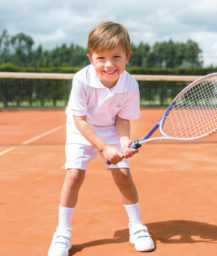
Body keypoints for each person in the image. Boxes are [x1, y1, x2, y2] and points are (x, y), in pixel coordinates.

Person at [48, 21, 155, 256]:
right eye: (101, 58)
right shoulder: (81, 79)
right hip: (81, 127)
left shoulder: (130, 85)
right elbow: (80, 120)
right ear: (90, 58)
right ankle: (62, 233)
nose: (109, 65)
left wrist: (124, 142)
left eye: (116, 57)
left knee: (124, 175)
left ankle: (137, 227)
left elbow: (122, 119)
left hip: (110, 128)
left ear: (128, 56)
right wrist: (105, 148)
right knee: (74, 174)